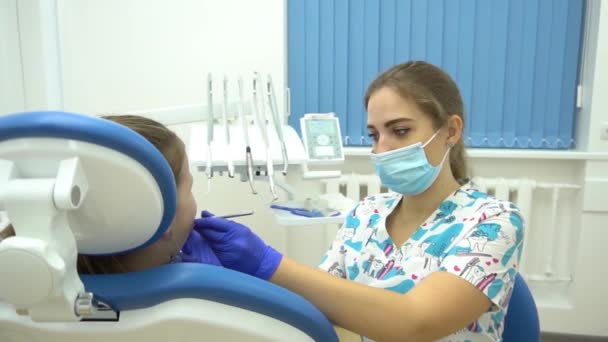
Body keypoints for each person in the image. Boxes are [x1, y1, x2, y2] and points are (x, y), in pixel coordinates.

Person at [194, 61, 525, 341]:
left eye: (400, 131)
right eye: (374, 134)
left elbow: (416, 321)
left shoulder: (493, 222)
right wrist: (237, 279)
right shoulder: (365, 214)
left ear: (451, 131)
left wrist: (267, 261)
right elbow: (316, 301)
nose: (380, 149)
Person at [0, 114, 221, 274]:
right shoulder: (202, 306)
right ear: (164, 219)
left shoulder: (20, 297)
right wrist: (254, 268)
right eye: (189, 187)